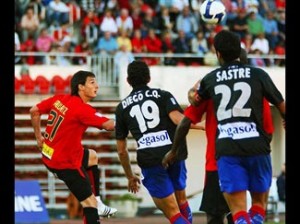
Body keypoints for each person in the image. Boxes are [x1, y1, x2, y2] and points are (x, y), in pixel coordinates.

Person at [163, 30, 285, 224]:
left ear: (218, 54)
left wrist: (174, 149)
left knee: (227, 213)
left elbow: (191, 107)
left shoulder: (211, 81)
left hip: (223, 154)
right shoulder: (258, 78)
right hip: (256, 149)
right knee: (257, 206)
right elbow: (274, 118)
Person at [114, 60, 204, 224]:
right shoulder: (163, 95)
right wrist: (202, 125)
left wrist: (130, 176)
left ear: (128, 81)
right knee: (181, 200)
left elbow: (121, 150)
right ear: (148, 78)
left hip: (150, 159)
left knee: (172, 211)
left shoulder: (122, 108)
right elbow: (178, 119)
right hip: (174, 152)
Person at [29, 70, 118, 224]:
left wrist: (39, 138)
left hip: (49, 155)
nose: (97, 86)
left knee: (92, 156)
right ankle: (96, 204)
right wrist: (128, 118)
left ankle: (98, 201)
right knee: (89, 205)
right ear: (80, 87)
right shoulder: (82, 109)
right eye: (92, 82)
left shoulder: (60, 99)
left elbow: (34, 111)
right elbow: (109, 125)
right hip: (65, 163)